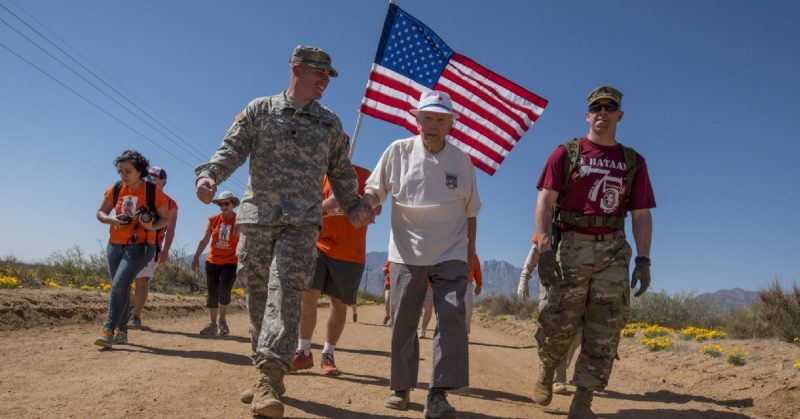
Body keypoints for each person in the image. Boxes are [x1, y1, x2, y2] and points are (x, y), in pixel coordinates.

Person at [194, 45, 374, 418]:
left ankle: (270, 377)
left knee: (286, 294)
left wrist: (355, 205)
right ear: (296, 69)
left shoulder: (329, 123)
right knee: (259, 297)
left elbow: (341, 173)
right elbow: (231, 149)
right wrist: (210, 175)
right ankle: (265, 370)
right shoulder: (260, 109)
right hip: (257, 218)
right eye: (318, 73)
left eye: (328, 76)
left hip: (302, 222)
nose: (325, 81)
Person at [532, 86, 655, 418]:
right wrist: (545, 249)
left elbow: (641, 214)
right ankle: (547, 368)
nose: (603, 111)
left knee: (605, 326)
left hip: (613, 249)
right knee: (560, 321)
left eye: (609, 107)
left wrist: (643, 259)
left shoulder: (633, 162)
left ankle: (583, 398)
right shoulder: (566, 153)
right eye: (596, 107)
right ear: (587, 115)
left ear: (619, 115)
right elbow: (545, 200)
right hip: (570, 246)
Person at [359, 90, 481, 419]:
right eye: (427, 118)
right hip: (406, 251)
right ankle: (401, 387)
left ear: (451, 125)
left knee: (452, 319)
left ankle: (438, 394)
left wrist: (470, 252)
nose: (433, 125)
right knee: (403, 320)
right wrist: (366, 206)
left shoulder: (461, 160)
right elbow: (374, 191)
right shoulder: (397, 152)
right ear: (417, 119)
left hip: (451, 250)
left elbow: (471, 211)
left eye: (441, 119)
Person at [292, 162, 379, 376]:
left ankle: (328, 354)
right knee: (307, 297)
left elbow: (377, 207)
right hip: (318, 245)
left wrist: (359, 204)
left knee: (339, 305)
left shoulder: (363, 174)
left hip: (350, 253)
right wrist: (329, 203)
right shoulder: (317, 175)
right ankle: (303, 351)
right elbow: (304, 208)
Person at [94, 150, 170, 349]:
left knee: (119, 285)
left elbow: (165, 218)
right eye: (120, 171)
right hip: (115, 244)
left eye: (128, 171)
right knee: (122, 286)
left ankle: (108, 330)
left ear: (139, 171)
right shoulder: (117, 188)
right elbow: (100, 212)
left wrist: (150, 226)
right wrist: (111, 219)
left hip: (141, 245)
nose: (123, 175)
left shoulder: (153, 192)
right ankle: (122, 332)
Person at [520, 233, 581, 395]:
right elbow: (536, 245)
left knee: (575, 331)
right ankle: (552, 374)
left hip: (579, 281)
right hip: (550, 279)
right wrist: (525, 274)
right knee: (548, 328)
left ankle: (558, 373)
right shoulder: (555, 213)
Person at [128, 166, 178, 329]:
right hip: (129, 242)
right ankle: (128, 309)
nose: (148, 179)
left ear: (162, 181)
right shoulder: (137, 194)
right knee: (124, 279)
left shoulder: (170, 203)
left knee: (141, 280)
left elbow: (170, 229)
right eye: (146, 176)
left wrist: (166, 250)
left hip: (152, 246)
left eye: (152, 177)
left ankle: (135, 317)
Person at [191, 191, 241, 337]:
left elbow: (245, 240)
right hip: (213, 261)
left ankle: (223, 321)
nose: (223, 206)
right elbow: (204, 239)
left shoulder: (239, 221)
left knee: (224, 290)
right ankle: (213, 325)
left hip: (231, 261)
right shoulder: (213, 219)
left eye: (227, 203)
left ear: (232, 204)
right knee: (212, 292)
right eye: (221, 203)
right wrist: (196, 257)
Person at [464, 255, 482, 335]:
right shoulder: (453, 249)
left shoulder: (472, 255)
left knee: (468, 309)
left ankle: (465, 332)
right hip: (453, 284)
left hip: (468, 284)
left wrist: (479, 285)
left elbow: (477, 270)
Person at [382, 260, 391, 326]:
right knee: (387, 300)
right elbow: (384, 272)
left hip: (399, 284)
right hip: (389, 284)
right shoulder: (390, 260)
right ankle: (387, 315)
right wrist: (385, 270)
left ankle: (393, 318)